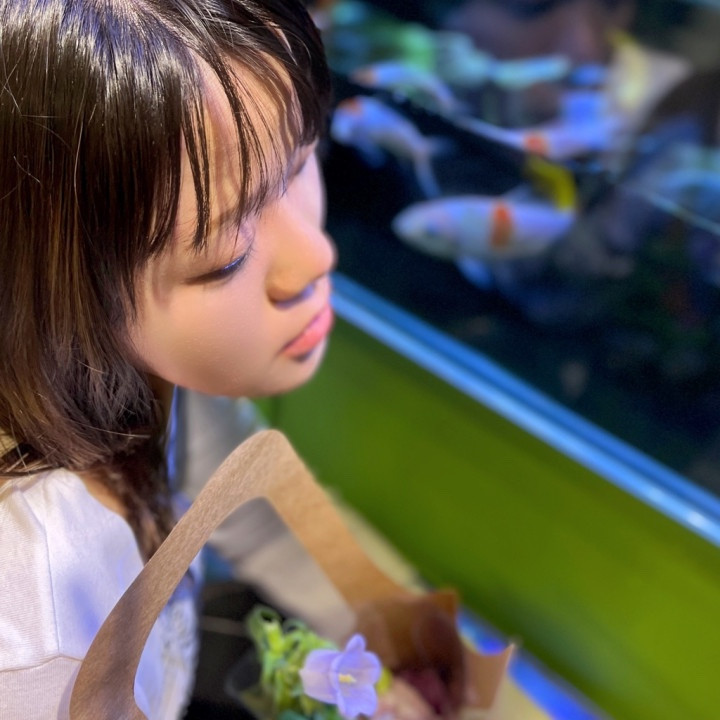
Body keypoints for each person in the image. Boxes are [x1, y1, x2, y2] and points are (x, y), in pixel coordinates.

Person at [0, 0, 335, 717]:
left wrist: (391, 624)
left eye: (303, 159)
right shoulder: (33, 635)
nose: (316, 257)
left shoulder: (155, 372)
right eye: (227, 257)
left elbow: (249, 504)